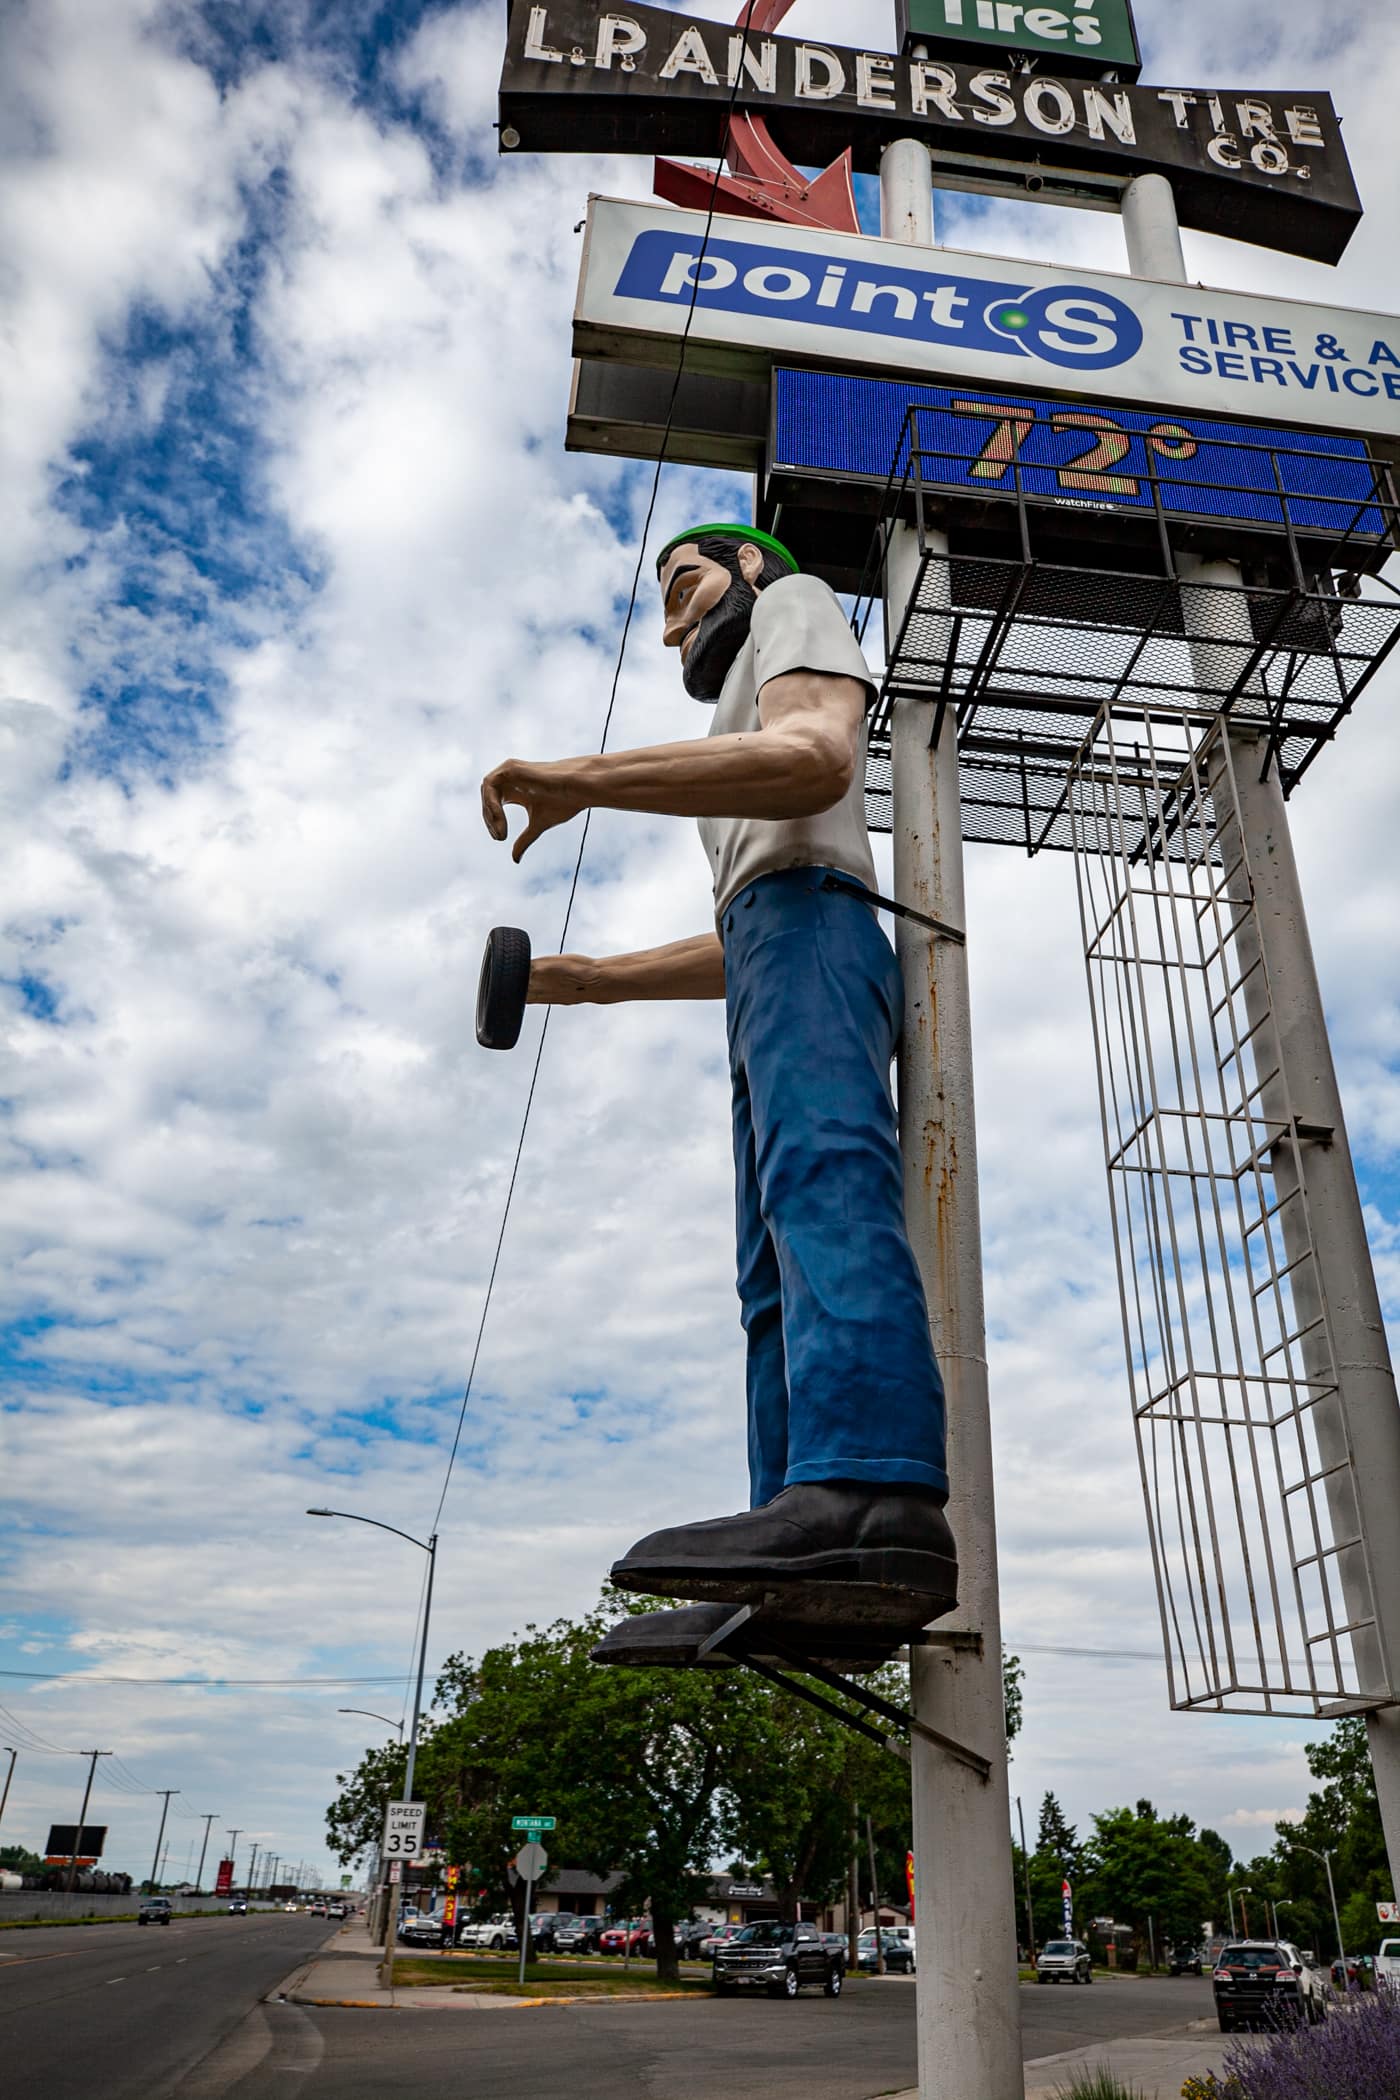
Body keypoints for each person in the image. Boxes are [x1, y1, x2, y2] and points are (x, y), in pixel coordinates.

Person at [480, 524, 955, 1659]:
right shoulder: (723, 710)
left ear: (745, 567)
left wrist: (582, 778)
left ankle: (870, 1495)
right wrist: (584, 980)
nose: (668, 621)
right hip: (769, 941)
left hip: (815, 934)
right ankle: (792, 1530)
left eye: (682, 584)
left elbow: (813, 762)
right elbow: (749, 905)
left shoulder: (792, 606)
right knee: (766, 1267)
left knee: (825, 1182)